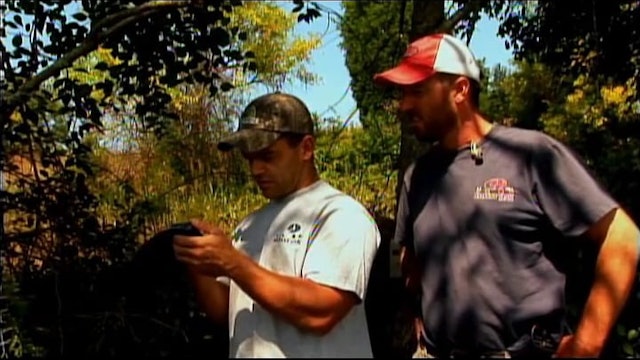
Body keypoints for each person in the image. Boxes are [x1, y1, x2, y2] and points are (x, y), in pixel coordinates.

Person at [373, 33, 640, 358]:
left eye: (417, 90)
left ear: (460, 90)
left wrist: (587, 343)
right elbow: (406, 265)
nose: (404, 105)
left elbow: (623, 237)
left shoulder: (529, 155)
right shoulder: (418, 176)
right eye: (402, 93)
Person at [171, 92, 381, 358]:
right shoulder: (250, 223)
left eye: (268, 156)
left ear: (306, 148)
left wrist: (233, 262)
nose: (256, 169)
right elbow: (226, 312)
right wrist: (198, 262)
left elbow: (322, 313)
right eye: (250, 159)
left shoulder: (339, 215)